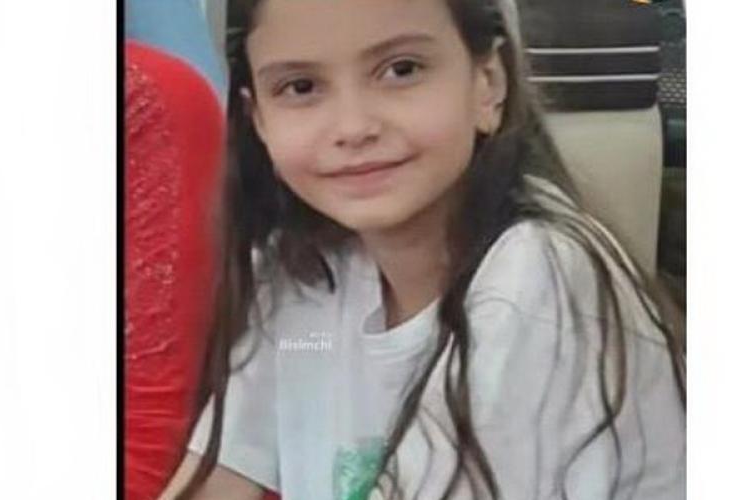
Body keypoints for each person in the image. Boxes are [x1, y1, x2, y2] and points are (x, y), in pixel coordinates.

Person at [160, 0, 685, 498]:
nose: (353, 127)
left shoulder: (535, 279)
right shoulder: (303, 276)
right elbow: (218, 480)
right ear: (257, 118)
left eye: (401, 70)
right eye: (301, 87)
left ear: (488, 84)